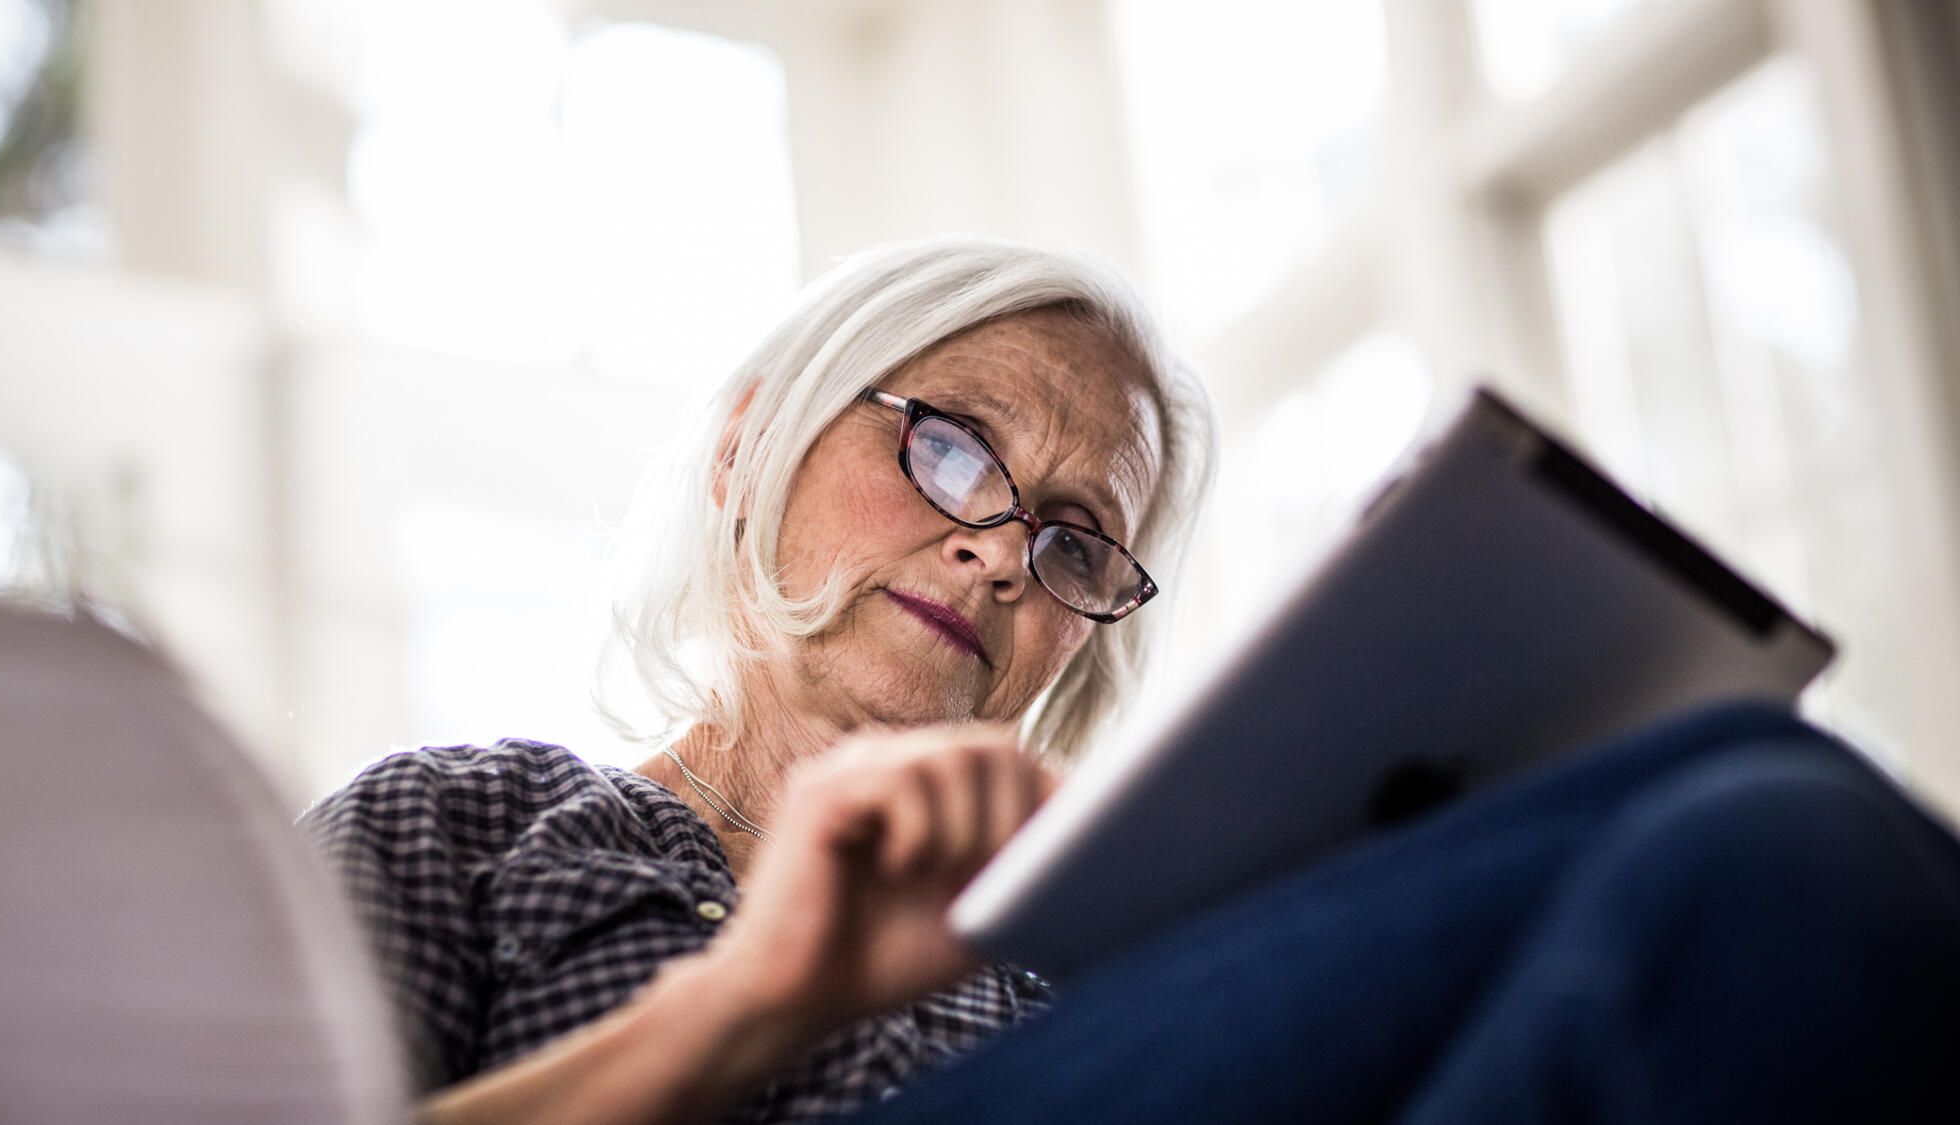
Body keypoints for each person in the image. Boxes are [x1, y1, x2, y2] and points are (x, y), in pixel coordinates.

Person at [299, 238, 1960, 1125]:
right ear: (755, 442)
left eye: (1079, 540)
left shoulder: (1066, 968)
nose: (1008, 554)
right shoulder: (469, 821)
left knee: (1749, 886)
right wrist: (753, 999)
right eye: (952, 447)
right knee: (1778, 812)